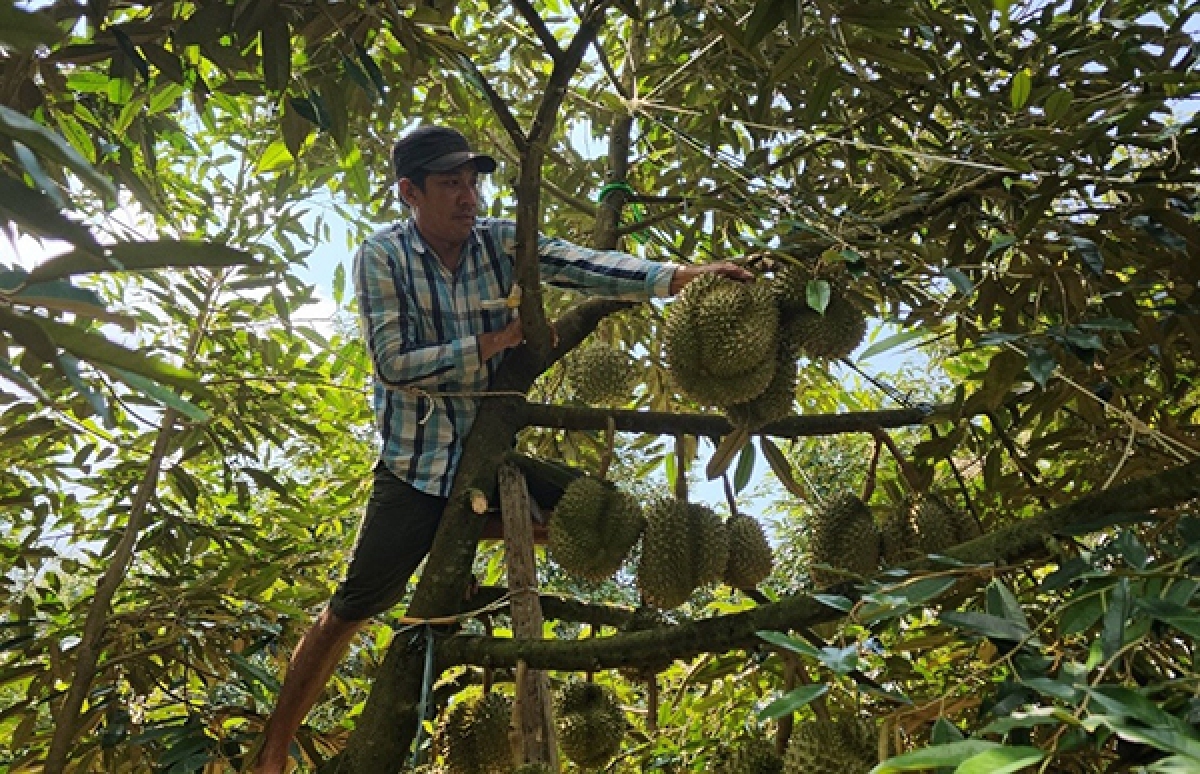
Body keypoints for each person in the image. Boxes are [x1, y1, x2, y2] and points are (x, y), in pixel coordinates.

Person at [253, 125, 751, 773]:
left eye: (473, 181)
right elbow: (393, 363)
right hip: (415, 469)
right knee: (350, 608)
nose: (469, 196)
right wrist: (494, 343)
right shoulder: (382, 257)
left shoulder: (496, 241)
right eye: (450, 183)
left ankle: (471, 528)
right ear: (410, 192)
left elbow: (582, 263)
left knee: (602, 513)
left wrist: (678, 277)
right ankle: (272, 748)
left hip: (489, 460)